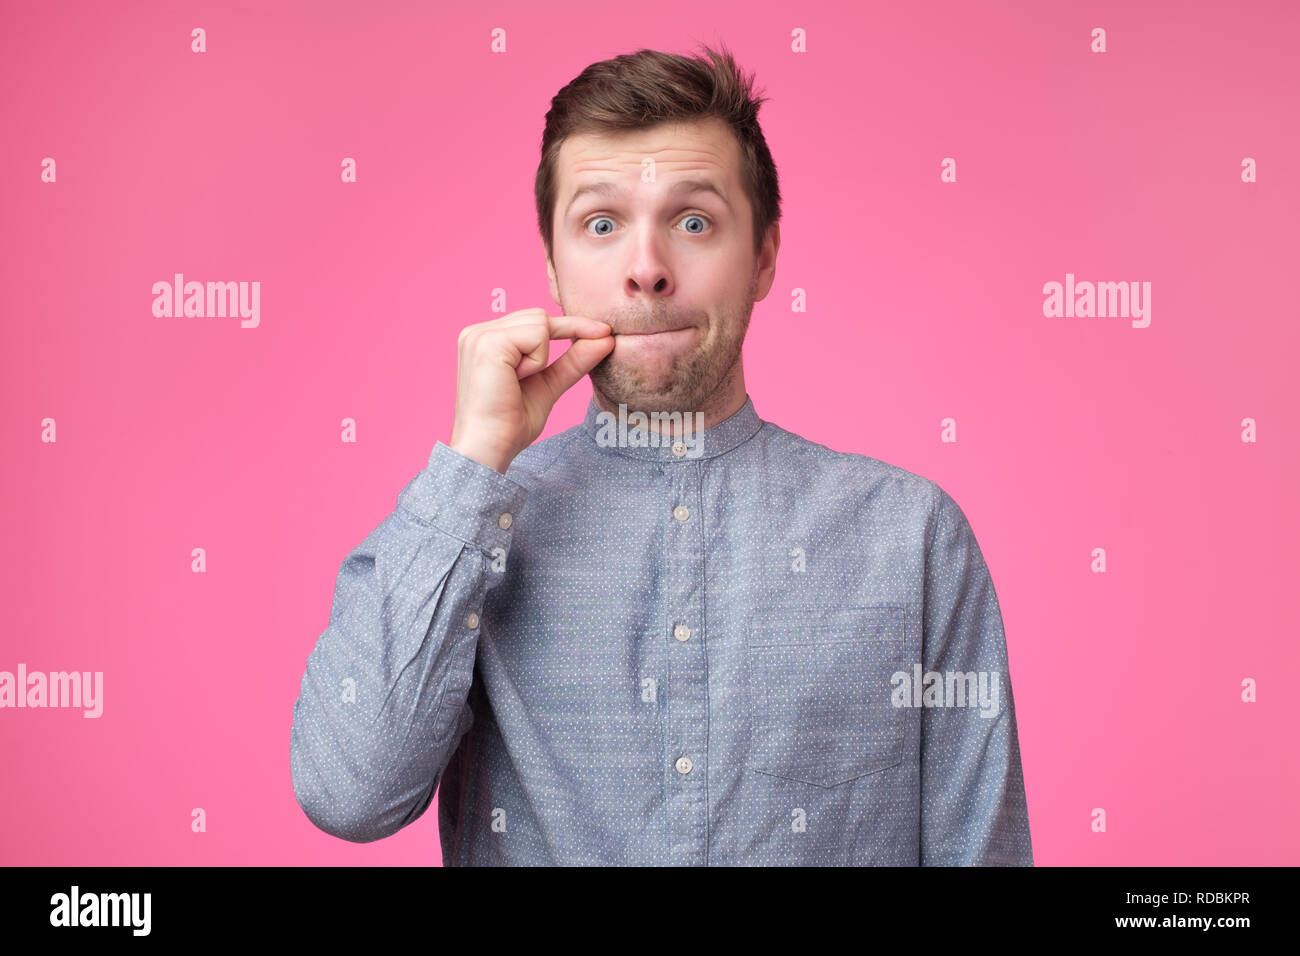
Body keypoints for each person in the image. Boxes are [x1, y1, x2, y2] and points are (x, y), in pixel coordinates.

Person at [289, 43, 1033, 865]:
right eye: (601, 225)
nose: (646, 270)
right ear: (553, 265)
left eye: (693, 222)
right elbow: (348, 793)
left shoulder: (913, 536)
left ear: (764, 257)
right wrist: (472, 465)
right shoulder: (474, 527)